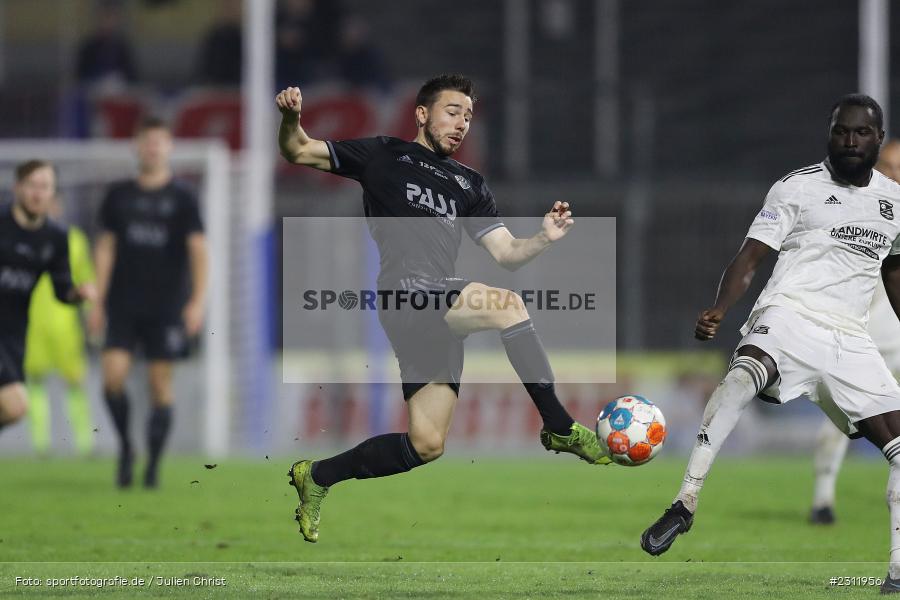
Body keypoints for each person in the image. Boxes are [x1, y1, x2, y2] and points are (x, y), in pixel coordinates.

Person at [276, 74, 610, 543]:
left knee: (427, 444)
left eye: (469, 117)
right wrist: (291, 119)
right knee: (508, 306)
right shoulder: (382, 154)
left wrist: (542, 238)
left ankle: (317, 476)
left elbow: (507, 254)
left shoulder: (469, 184)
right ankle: (558, 426)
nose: (462, 124)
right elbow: (297, 151)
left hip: (437, 313)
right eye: (453, 112)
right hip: (405, 294)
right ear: (422, 113)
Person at [639, 94, 900, 593]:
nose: (849, 140)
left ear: (877, 139)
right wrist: (721, 307)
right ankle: (685, 501)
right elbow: (752, 257)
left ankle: (896, 572)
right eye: (841, 131)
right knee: (742, 374)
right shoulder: (796, 188)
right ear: (829, 134)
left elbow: (893, 271)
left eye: (860, 133)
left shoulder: (894, 202)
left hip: (850, 337)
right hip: (789, 316)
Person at [88, 117, 208, 489]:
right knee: (112, 378)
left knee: (160, 385)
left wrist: (197, 302)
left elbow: (199, 251)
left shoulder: (183, 197)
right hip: (123, 303)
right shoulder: (118, 195)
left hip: (167, 306)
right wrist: (97, 301)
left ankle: (153, 466)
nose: (152, 148)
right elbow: (106, 248)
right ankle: (126, 448)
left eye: (159, 142)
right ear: (136, 147)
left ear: (169, 147)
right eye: (146, 142)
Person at [807, 138, 900, 525]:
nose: (893, 173)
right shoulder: (861, 210)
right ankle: (823, 499)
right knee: (847, 417)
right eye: (890, 166)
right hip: (867, 331)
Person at [0, 161, 94, 436]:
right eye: (32, 185)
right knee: (17, 402)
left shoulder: (56, 237)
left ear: (52, 192)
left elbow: (61, 288)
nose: (37, 193)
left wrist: (77, 295)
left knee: (14, 410)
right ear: (17, 188)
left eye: (44, 187)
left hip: (14, 333)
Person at [24, 194, 96, 456]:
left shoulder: (74, 239)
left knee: (76, 381)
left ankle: (85, 444)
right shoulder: (22, 236)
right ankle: (40, 444)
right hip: (32, 320)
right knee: (35, 382)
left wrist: (91, 314)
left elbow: (86, 277)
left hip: (65, 322)